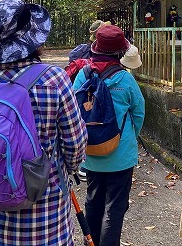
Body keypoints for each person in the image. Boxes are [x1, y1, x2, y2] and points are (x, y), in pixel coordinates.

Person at [0, 0, 87, 245]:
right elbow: (75, 148)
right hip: (45, 223)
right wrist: (63, 170)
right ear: (32, 37)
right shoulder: (54, 80)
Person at [72, 24, 145, 246]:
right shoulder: (125, 79)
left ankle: (90, 242)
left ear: (96, 48)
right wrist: (128, 140)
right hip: (120, 155)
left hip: (91, 152)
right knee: (115, 208)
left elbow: (72, 112)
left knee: (93, 202)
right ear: (120, 52)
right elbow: (139, 113)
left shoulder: (82, 75)